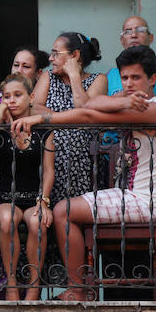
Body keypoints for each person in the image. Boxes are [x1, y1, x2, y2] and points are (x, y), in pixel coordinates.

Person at [13, 46, 156, 301]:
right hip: (133, 196)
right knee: (66, 209)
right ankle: (79, 287)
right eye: (125, 78)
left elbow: (89, 114)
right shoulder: (131, 100)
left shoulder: (154, 108)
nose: (129, 84)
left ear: (153, 79)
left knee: (63, 211)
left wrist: (40, 120)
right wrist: (122, 98)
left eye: (136, 78)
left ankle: (78, 290)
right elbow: (94, 102)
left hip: (148, 202)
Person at [0, 74, 54, 301]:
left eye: (18, 95)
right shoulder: (1, 129)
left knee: (37, 222)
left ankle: (34, 287)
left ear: (31, 97)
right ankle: (12, 283)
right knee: (8, 219)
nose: (12, 100)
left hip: (35, 197)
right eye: (7, 96)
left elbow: (49, 170)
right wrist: (2, 105)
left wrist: (43, 201)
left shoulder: (44, 131)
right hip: (5, 199)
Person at [31, 32, 107, 203]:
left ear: (75, 55)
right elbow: (33, 108)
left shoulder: (99, 79)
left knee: (74, 214)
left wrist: (74, 76)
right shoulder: (47, 77)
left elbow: (86, 111)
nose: (51, 58)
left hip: (82, 160)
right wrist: (69, 118)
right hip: (48, 155)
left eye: (56, 53)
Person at [105, 16, 156, 124]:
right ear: (122, 40)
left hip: (151, 135)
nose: (133, 35)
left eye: (140, 30)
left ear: (151, 37)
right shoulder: (110, 74)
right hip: (113, 137)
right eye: (127, 32)